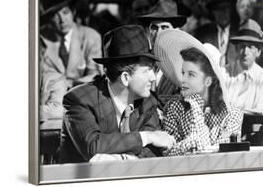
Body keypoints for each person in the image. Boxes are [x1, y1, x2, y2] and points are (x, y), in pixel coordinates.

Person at [59, 25, 176, 163]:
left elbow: (153, 151)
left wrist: (120, 159)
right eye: (147, 71)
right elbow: (93, 145)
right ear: (125, 78)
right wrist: (146, 137)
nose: (153, 77)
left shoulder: (149, 101)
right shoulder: (80, 99)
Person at [154, 29, 243, 155]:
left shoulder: (232, 113)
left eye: (191, 74)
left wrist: (189, 142)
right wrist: (194, 107)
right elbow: (167, 153)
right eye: (182, 72)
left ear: (208, 81)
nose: (182, 79)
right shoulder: (174, 108)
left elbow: (212, 152)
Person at [40, 0, 103, 119]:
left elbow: (96, 76)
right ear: (47, 20)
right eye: (55, 16)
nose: (62, 20)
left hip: (82, 102)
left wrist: (69, 84)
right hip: (50, 104)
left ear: (73, 11)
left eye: (65, 12)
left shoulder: (91, 37)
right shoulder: (40, 40)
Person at [137, 0, 187, 106]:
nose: (159, 33)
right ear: (149, 31)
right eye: (154, 28)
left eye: (164, 27)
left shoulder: (183, 67)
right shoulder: (140, 63)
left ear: (176, 32)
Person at [223, 27, 263, 115]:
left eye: (250, 47)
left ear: (258, 52)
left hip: (251, 125)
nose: (245, 52)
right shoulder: (224, 73)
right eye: (242, 47)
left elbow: (260, 110)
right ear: (236, 50)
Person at [195, 0, 239, 67]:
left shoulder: (240, 32)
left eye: (226, 8)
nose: (222, 13)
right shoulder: (203, 33)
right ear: (212, 12)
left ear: (231, 9)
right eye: (218, 9)